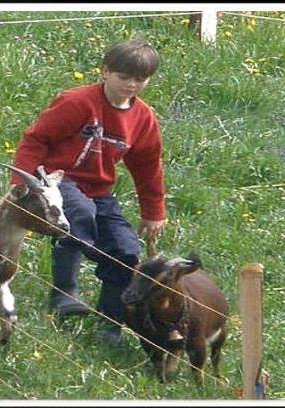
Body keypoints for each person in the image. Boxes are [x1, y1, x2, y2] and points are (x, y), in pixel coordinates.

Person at [9, 38, 167, 343]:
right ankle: (64, 293)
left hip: (99, 190)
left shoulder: (143, 118)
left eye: (140, 79)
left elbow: (148, 166)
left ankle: (109, 321)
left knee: (126, 250)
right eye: (124, 77)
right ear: (105, 71)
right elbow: (35, 140)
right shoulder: (78, 102)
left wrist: (153, 211)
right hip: (57, 180)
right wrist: (21, 183)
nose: (131, 85)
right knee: (79, 215)